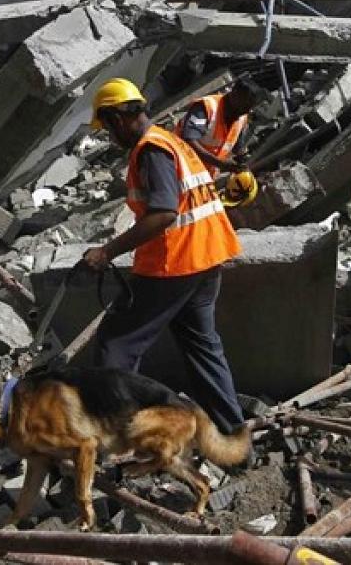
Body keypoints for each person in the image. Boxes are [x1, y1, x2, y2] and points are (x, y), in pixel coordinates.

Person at [81, 77, 246, 435]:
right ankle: (235, 435)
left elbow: (164, 213)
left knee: (117, 345)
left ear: (116, 119)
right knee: (203, 348)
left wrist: (107, 251)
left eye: (108, 128)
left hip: (176, 263)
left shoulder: (152, 149)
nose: (111, 138)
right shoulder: (171, 140)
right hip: (208, 257)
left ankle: (117, 433)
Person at [176, 79, 263, 177]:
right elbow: (188, 140)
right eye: (246, 105)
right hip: (177, 163)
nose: (248, 111)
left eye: (251, 107)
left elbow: (238, 149)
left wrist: (242, 162)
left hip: (200, 175)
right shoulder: (207, 107)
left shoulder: (241, 118)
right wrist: (220, 164)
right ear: (234, 95)